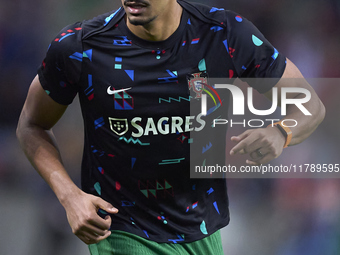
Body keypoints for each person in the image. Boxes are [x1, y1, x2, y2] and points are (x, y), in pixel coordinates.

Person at [16, 0, 325, 254]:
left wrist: (280, 132)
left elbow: (310, 106)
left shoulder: (225, 34)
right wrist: (70, 196)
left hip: (202, 231)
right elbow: (31, 125)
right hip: (122, 231)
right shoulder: (80, 47)